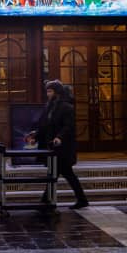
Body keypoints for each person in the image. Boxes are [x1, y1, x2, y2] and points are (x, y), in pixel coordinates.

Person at [27, 80, 89, 209]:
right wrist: (35, 137)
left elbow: (68, 126)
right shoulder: (49, 107)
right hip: (52, 148)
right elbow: (44, 126)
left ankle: (48, 200)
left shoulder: (66, 107)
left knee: (61, 173)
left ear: (57, 92)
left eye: (50, 91)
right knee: (58, 173)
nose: (48, 94)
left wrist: (59, 137)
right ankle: (50, 199)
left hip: (62, 148)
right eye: (47, 91)